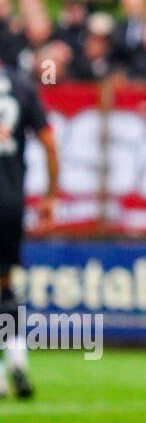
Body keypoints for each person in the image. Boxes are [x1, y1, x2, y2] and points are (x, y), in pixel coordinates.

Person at [0, 62, 60, 399]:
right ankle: (17, 359)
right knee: (4, 283)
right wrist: (51, 196)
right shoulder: (20, 85)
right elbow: (49, 142)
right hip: (9, 201)